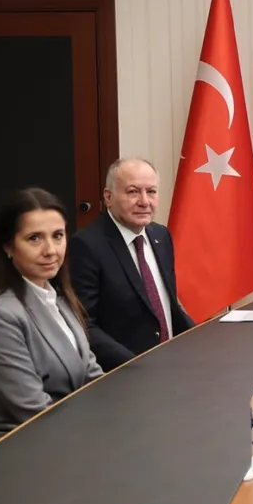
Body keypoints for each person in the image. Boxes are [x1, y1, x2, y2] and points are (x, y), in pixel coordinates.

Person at [0, 188, 103, 457]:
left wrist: (117, 412)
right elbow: (33, 411)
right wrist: (100, 433)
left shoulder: (55, 295)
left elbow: (91, 373)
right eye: (34, 238)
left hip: (64, 436)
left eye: (58, 236)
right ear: (8, 247)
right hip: (15, 453)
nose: (51, 250)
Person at [67, 158, 194, 372]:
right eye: (133, 192)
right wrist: (136, 366)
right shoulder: (87, 245)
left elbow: (169, 305)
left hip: (171, 365)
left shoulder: (161, 235)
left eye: (151, 192)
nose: (144, 201)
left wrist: (201, 339)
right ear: (108, 197)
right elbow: (84, 323)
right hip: (124, 373)